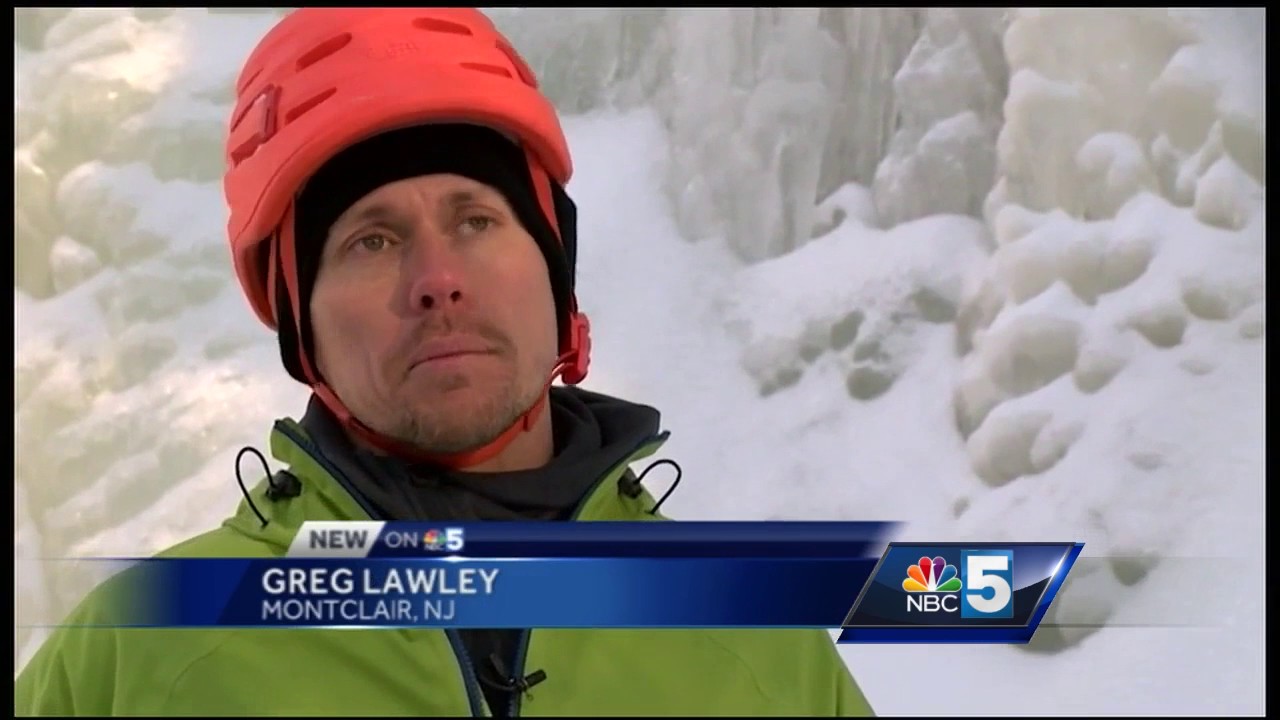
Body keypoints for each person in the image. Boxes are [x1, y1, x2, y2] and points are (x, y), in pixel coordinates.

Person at [14, 8, 875, 717]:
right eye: (372, 240)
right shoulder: (136, 659)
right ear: (297, 324)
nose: (437, 282)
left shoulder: (761, 650)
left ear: (554, 268)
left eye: (476, 220)